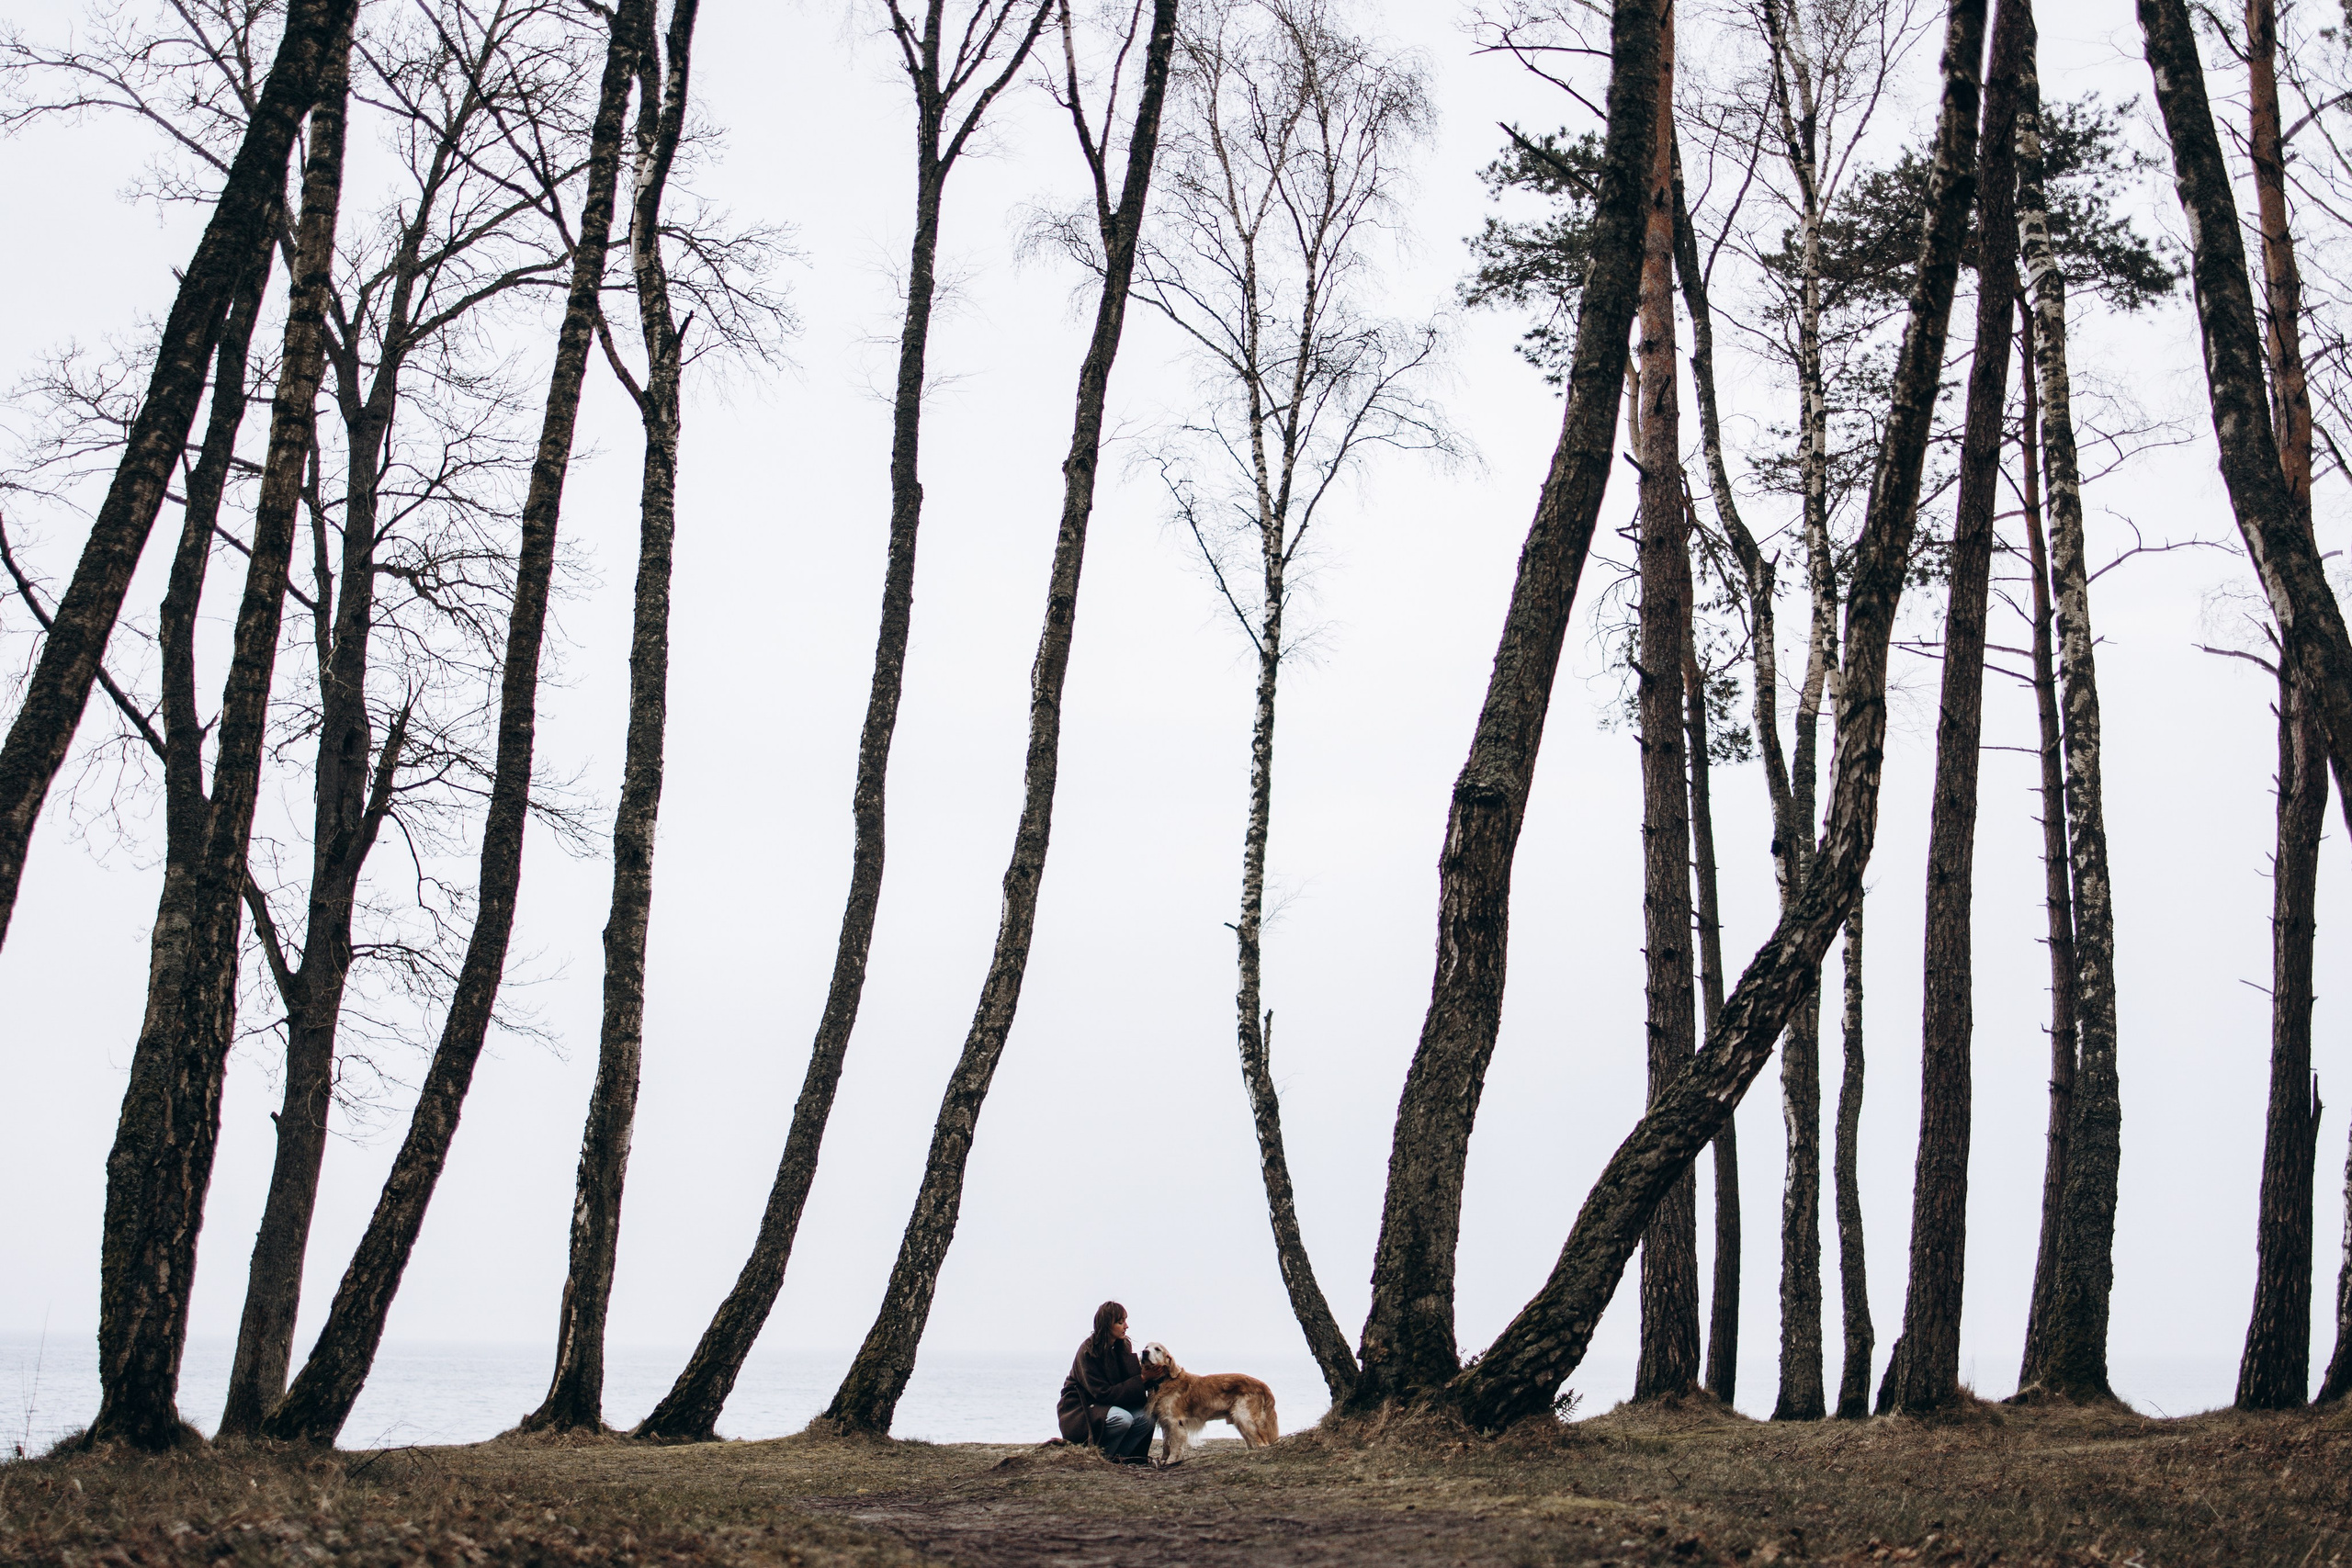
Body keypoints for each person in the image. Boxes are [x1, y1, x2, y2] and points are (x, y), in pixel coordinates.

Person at [1056, 1300, 1165, 1462]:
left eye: (1125, 1321)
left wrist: (1150, 1376)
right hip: (1082, 1408)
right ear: (1107, 1325)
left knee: (1147, 1418)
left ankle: (1120, 1458)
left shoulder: (1122, 1345)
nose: (1126, 1326)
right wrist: (1141, 1379)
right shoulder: (1088, 1352)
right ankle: (1101, 1459)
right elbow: (1103, 1393)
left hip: (1108, 1405)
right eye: (1120, 1322)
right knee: (1123, 1419)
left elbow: (1128, 1379)